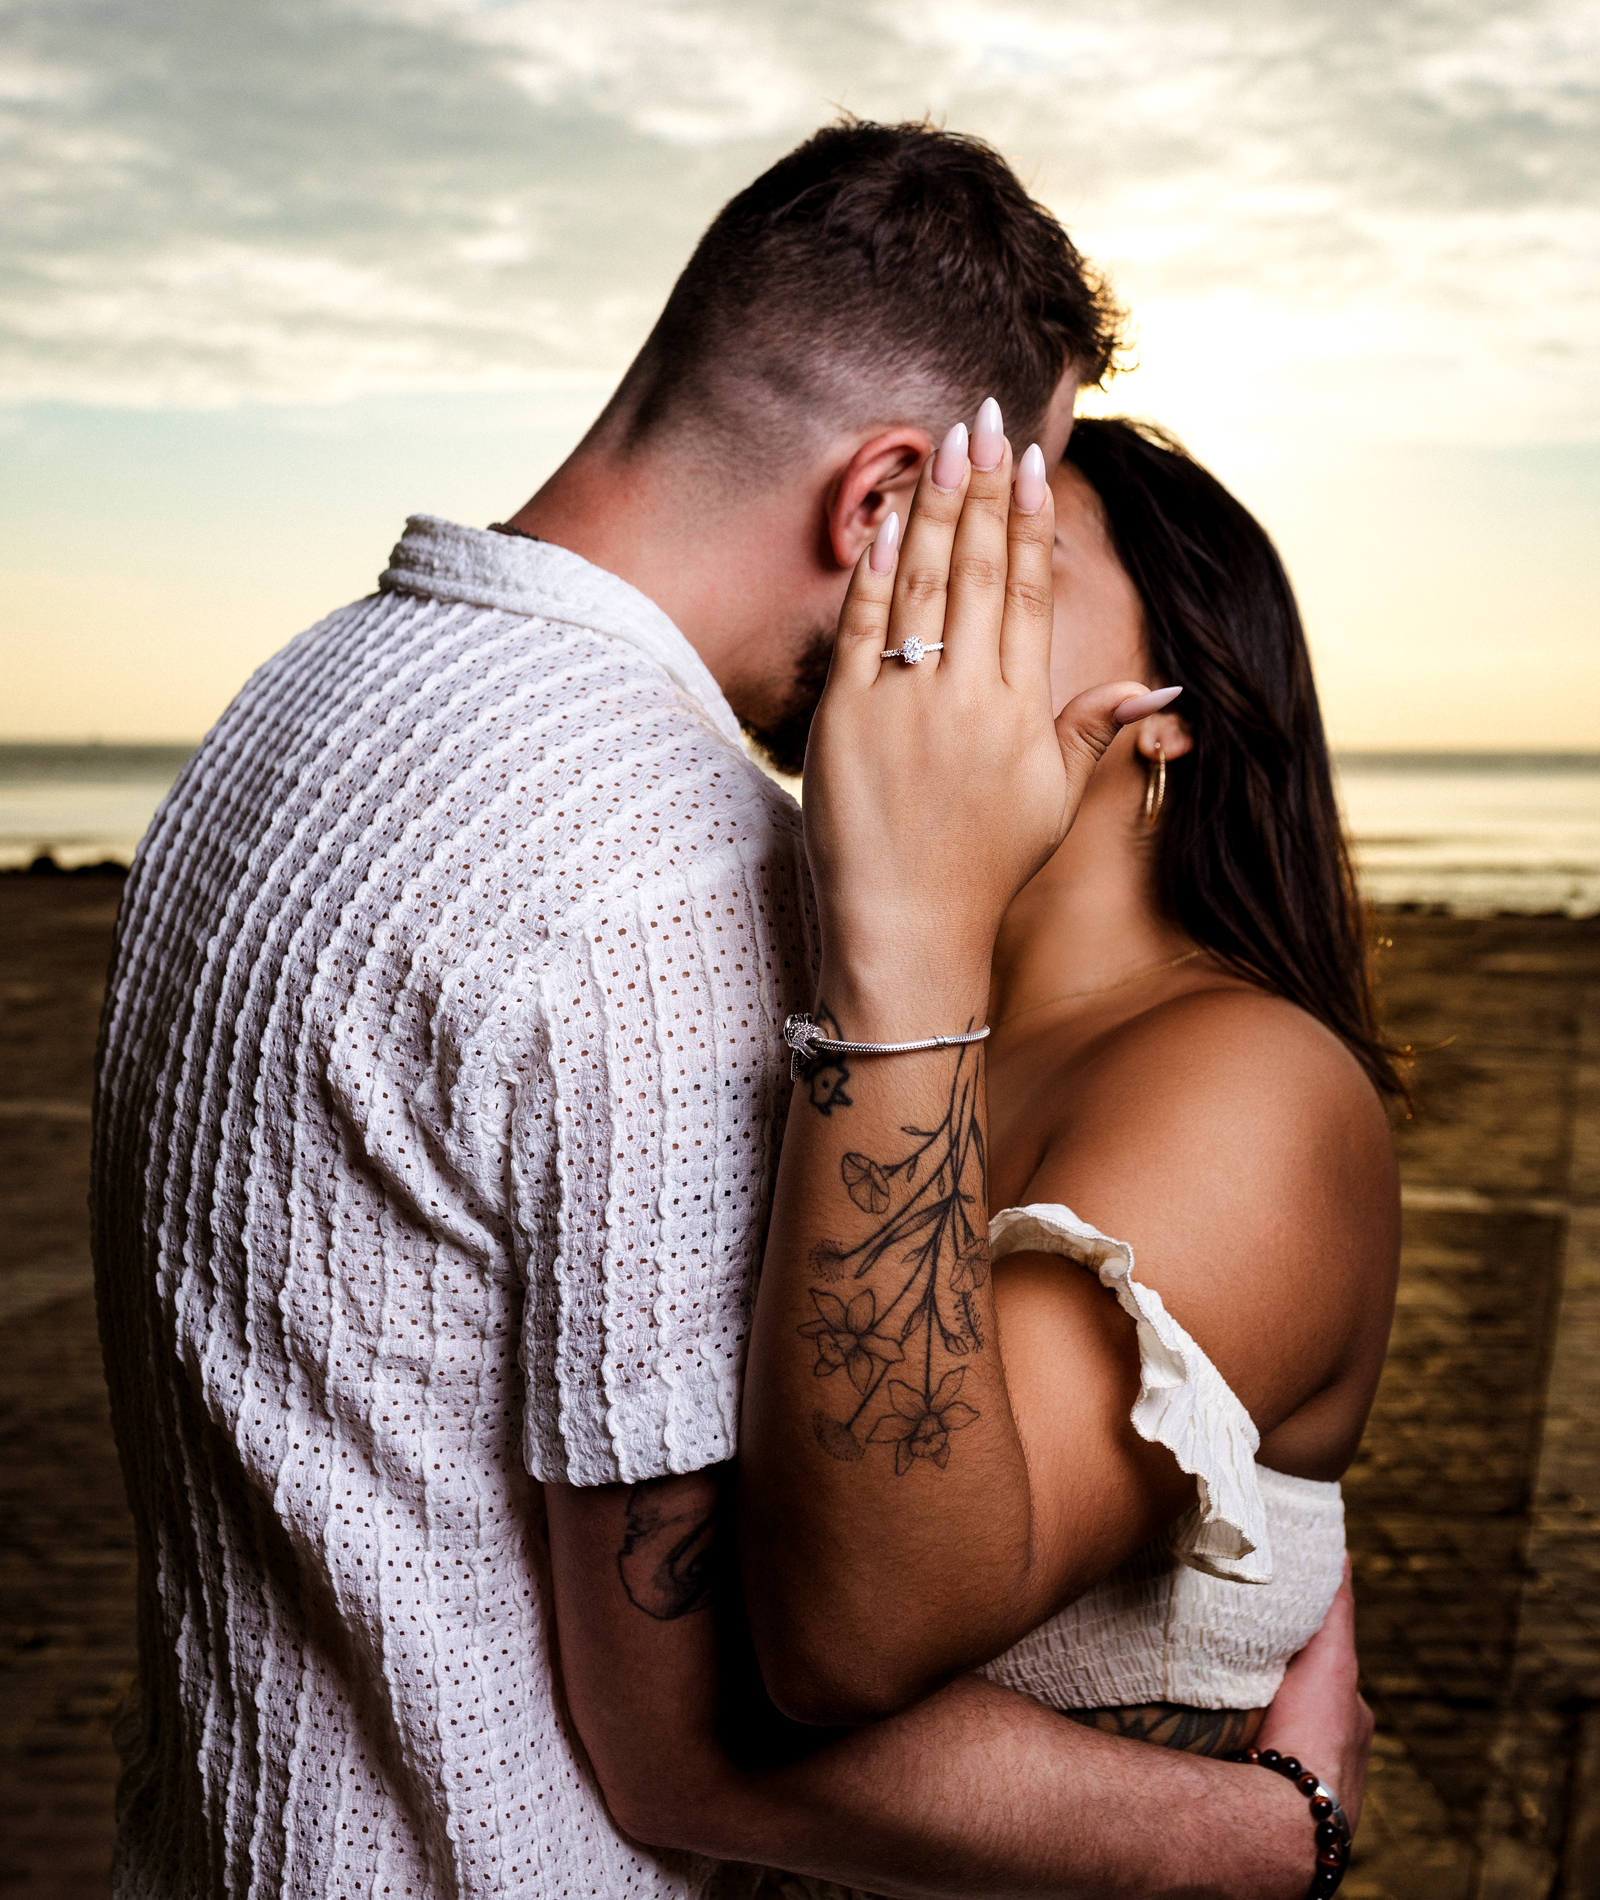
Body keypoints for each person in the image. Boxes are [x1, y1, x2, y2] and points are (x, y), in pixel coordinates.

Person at [92, 120, 1369, 1900]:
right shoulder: (677, 871)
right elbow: (711, 1719)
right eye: (994, 519)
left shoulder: (302, 698)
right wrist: (1260, 1833)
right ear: (882, 501)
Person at [739, 409, 1400, 1876]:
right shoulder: (824, 1014)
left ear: (1168, 703)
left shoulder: (1254, 1083)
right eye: (911, 536)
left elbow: (865, 1627)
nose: (911, 584)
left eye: (1008, 551)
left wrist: (904, 929)